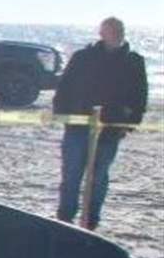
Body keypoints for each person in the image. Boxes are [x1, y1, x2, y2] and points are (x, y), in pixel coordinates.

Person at [54, 16, 147, 231]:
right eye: (106, 31)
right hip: (77, 127)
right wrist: (62, 113)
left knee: (98, 178)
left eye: (114, 31)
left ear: (121, 34)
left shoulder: (133, 61)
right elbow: (64, 87)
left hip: (110, 130)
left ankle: (90, 223)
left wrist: (130, 122)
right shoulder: (83, 57)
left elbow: (140, 96)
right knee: (71, 175)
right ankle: (64, 220)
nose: (110, 35)